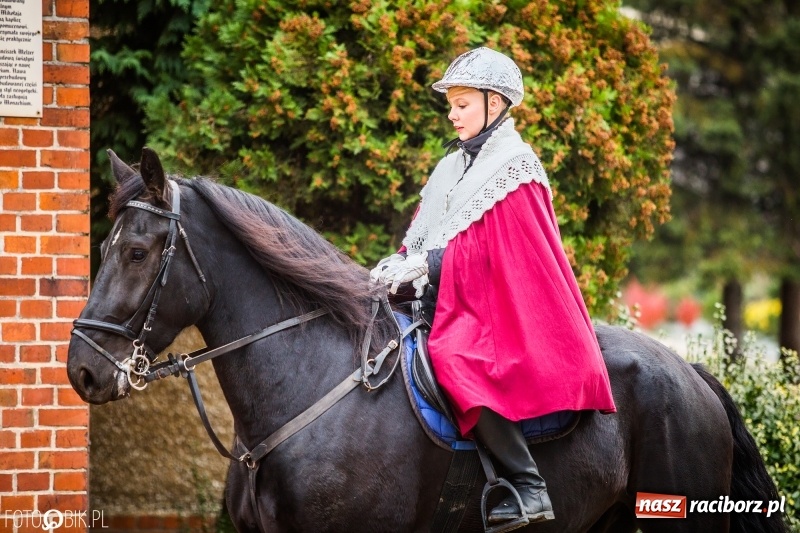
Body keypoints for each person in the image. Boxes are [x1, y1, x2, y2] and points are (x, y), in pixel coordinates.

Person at [371, 47, 617, 528]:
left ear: (495, 103)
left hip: (495, 307)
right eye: (451, 105)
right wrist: (398, 263)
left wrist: (426, 265)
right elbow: (428, 230)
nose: (452, 114)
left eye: (462, 104)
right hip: (445, 299)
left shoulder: (515, 166)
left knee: (458, 358)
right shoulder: (451, 167)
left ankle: (528, 486)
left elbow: (497, 254)